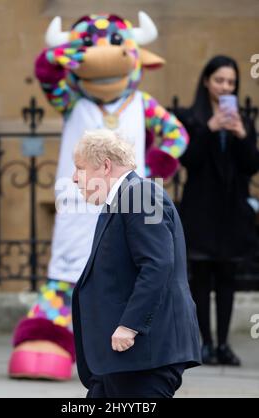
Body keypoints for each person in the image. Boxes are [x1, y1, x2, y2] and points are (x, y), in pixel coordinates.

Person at [71, 129, 201, 398]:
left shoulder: (141, 195)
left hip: (144, 355)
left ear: (105, 166)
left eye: (79, 168)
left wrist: (131, 325)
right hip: (122, 361)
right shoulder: (123, 200)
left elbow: (157, 265)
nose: (73, 178)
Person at [176, 55, 259, 366]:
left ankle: (223, 344)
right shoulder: (191, 118)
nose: (225, 86)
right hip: (201, 209)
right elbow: (188, 161)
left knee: (228, 276)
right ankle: (204, 343)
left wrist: (242, 136)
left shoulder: (243, 120)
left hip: (232, 211)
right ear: (207, 81)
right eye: (219, 80)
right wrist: (208, 129)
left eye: (231, 82)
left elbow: (251, 165)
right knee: (201, 276)